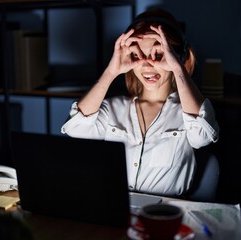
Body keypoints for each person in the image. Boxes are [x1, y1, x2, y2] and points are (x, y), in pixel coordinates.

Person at [61, 8, 219, 197]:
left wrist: (178, 69)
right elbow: (75, 129)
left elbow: (203, 136)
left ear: (179, 58)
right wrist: (110, 72)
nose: (146, 65)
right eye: (138, 55)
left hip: (165, 213)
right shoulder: (113, 109)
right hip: (114, 209)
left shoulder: (187, 113)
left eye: (159, 54)